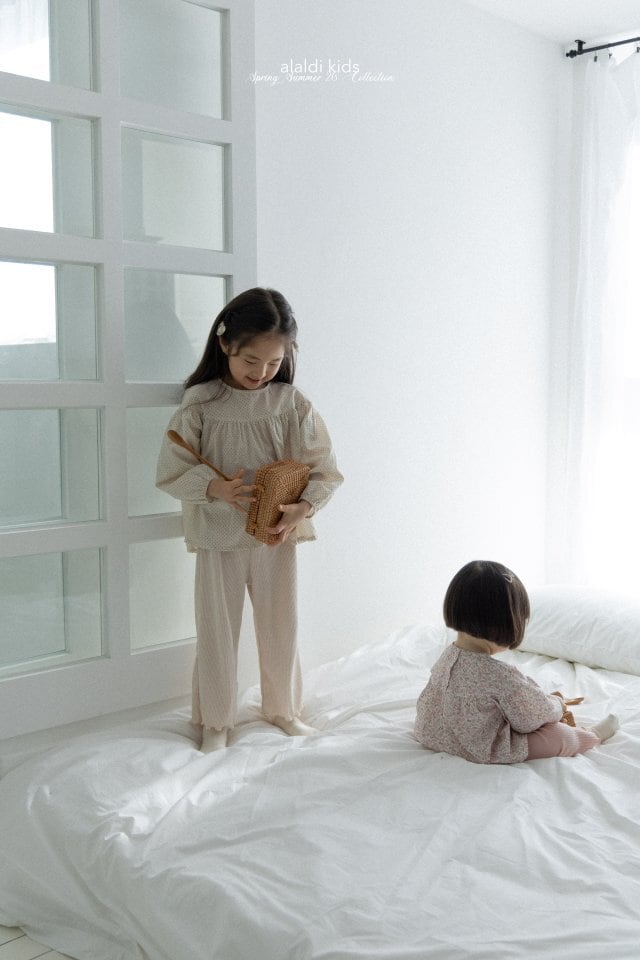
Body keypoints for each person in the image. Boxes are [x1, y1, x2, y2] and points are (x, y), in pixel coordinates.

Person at [156, 288, 343, 752]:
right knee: (216, 631)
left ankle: (283, 710)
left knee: (282, 626)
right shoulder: (201, 402)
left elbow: (324, 468)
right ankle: (216, 721)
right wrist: (214, 488)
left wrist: (304, 507)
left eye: (274, 362)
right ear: (224, 344)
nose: (261, 373)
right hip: (219, 536)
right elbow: (170, 470)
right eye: (250, 361)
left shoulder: (291, 403)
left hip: (276, 534)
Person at [414, 560, 619, 763]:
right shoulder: (500, 675)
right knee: (559, 735)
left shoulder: (447, 656)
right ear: (505, 622)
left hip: (433, 735)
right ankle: (591, 735)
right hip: (480, 748)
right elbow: (529, 720)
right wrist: (557, 705)